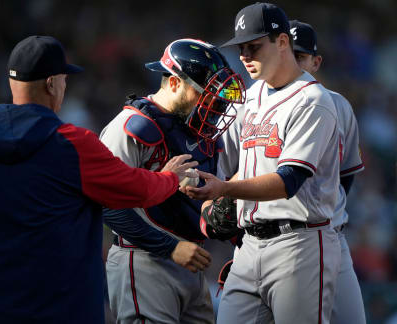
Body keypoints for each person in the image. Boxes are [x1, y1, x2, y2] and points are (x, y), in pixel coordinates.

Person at [0, 35, 199, 324]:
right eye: (64, 79)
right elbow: (137, 189)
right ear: (51, 84)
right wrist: (170, 177)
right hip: (62, 312)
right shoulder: (72, 144)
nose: (65, 87)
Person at [182, 3, 343, 323]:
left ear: (282, 42)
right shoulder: (252, 96)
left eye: (254, 46)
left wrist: (225, 188)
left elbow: (287, 181)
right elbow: (238, 160)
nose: (244, 56)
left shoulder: (313, 100)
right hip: (248, 246)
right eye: (241, 48)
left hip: (298, 244)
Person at [99, 38, 245, 323]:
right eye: (205, 95)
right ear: (175, 83)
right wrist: (170, 247)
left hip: (191, 262)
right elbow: (108, 206)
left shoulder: (201, 135)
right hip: (144, 259)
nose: (213, 106)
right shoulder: (131, 125)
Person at [290, 19, 366, 324]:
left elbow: (347, 173)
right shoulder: (253, 106)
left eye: (300, 56)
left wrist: (327, 209)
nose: (292, 64)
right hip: (280, 239)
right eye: (286, 54)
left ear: (315, 62)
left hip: (331, 236)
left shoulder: (337, 105)